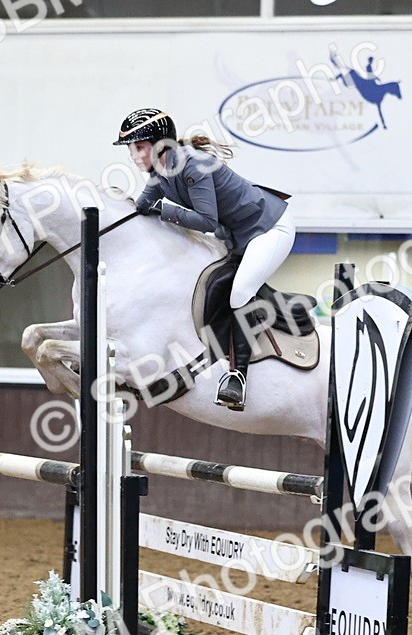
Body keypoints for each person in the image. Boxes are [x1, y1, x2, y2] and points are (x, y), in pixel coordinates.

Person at [114, 108, 295, 411]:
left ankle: (237, 376)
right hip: (238, 235)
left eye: (138, 147)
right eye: (132, 149)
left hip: (269, 228)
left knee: (238, 294)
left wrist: (164, 210)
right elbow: (141, 208)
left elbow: (207, 221)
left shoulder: (191, 165)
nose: (133, 156)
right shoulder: (160, 172)